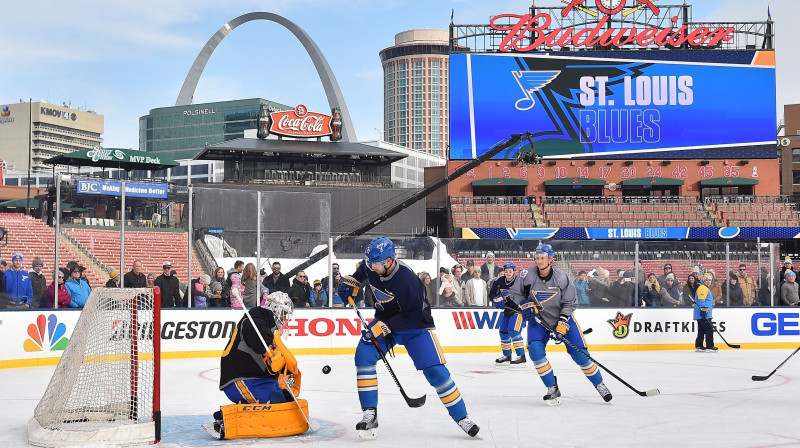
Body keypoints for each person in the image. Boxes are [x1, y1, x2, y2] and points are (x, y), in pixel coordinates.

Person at [338, 236, 479, 439]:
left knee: (435, 372)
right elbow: (363, 269)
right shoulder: (374, 263)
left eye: (375, 263)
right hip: (386, 320)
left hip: (415, 325)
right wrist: (351, 282)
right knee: (363, 356)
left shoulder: (407, 280)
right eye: (370, 262)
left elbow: (411, 315)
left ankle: (462, 417)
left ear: (388, 262)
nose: (371, 266)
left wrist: (383, 327)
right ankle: (370, 413)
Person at [508, 244, 612, 405]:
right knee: (535, 351)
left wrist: (562, 323)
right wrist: (524, 304)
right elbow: (515, 294)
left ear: (551, 259)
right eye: (537, 258)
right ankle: (552, 387)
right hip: (539, 320)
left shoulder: (561, 277)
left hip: (562, 319)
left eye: (542, 258)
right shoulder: (526, 275)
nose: (539, 261)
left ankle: (599, 383)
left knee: (580, 355)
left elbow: (570, 303)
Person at [212, 291, 300, 439]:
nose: (285, 319)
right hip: (240, 379)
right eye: (284, 313)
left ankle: (230, 416)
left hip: (259, 379)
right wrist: (272, 352)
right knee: (276, 402)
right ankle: (226, 419)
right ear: (276, 309)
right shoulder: (255, 320)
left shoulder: (267, 324)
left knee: (286, 399)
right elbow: (261, 345)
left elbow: (272, 363)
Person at [490, 261, 526, 365]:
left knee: (513, 331)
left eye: (510, 271)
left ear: (514, 271)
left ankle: (521, 356)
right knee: (503, 332)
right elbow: (491, 294)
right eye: (506, 271)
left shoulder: (520, 281)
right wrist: (496, 300)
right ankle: (507, 355)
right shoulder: (500, 281)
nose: (508, 273)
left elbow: (527, 295)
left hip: (518, 311)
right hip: (507, 310)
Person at [693, 273, 716, 352]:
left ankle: (699, 346)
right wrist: (703, 310)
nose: (708, 282)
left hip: (703, 313)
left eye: (710, 280)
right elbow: (701, 300)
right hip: (704, 313)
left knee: (702, 330)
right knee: (709, 329)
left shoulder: (705, 288)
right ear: (704, 280)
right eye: (707, 280)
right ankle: (709, 346)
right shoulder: (703, 288)